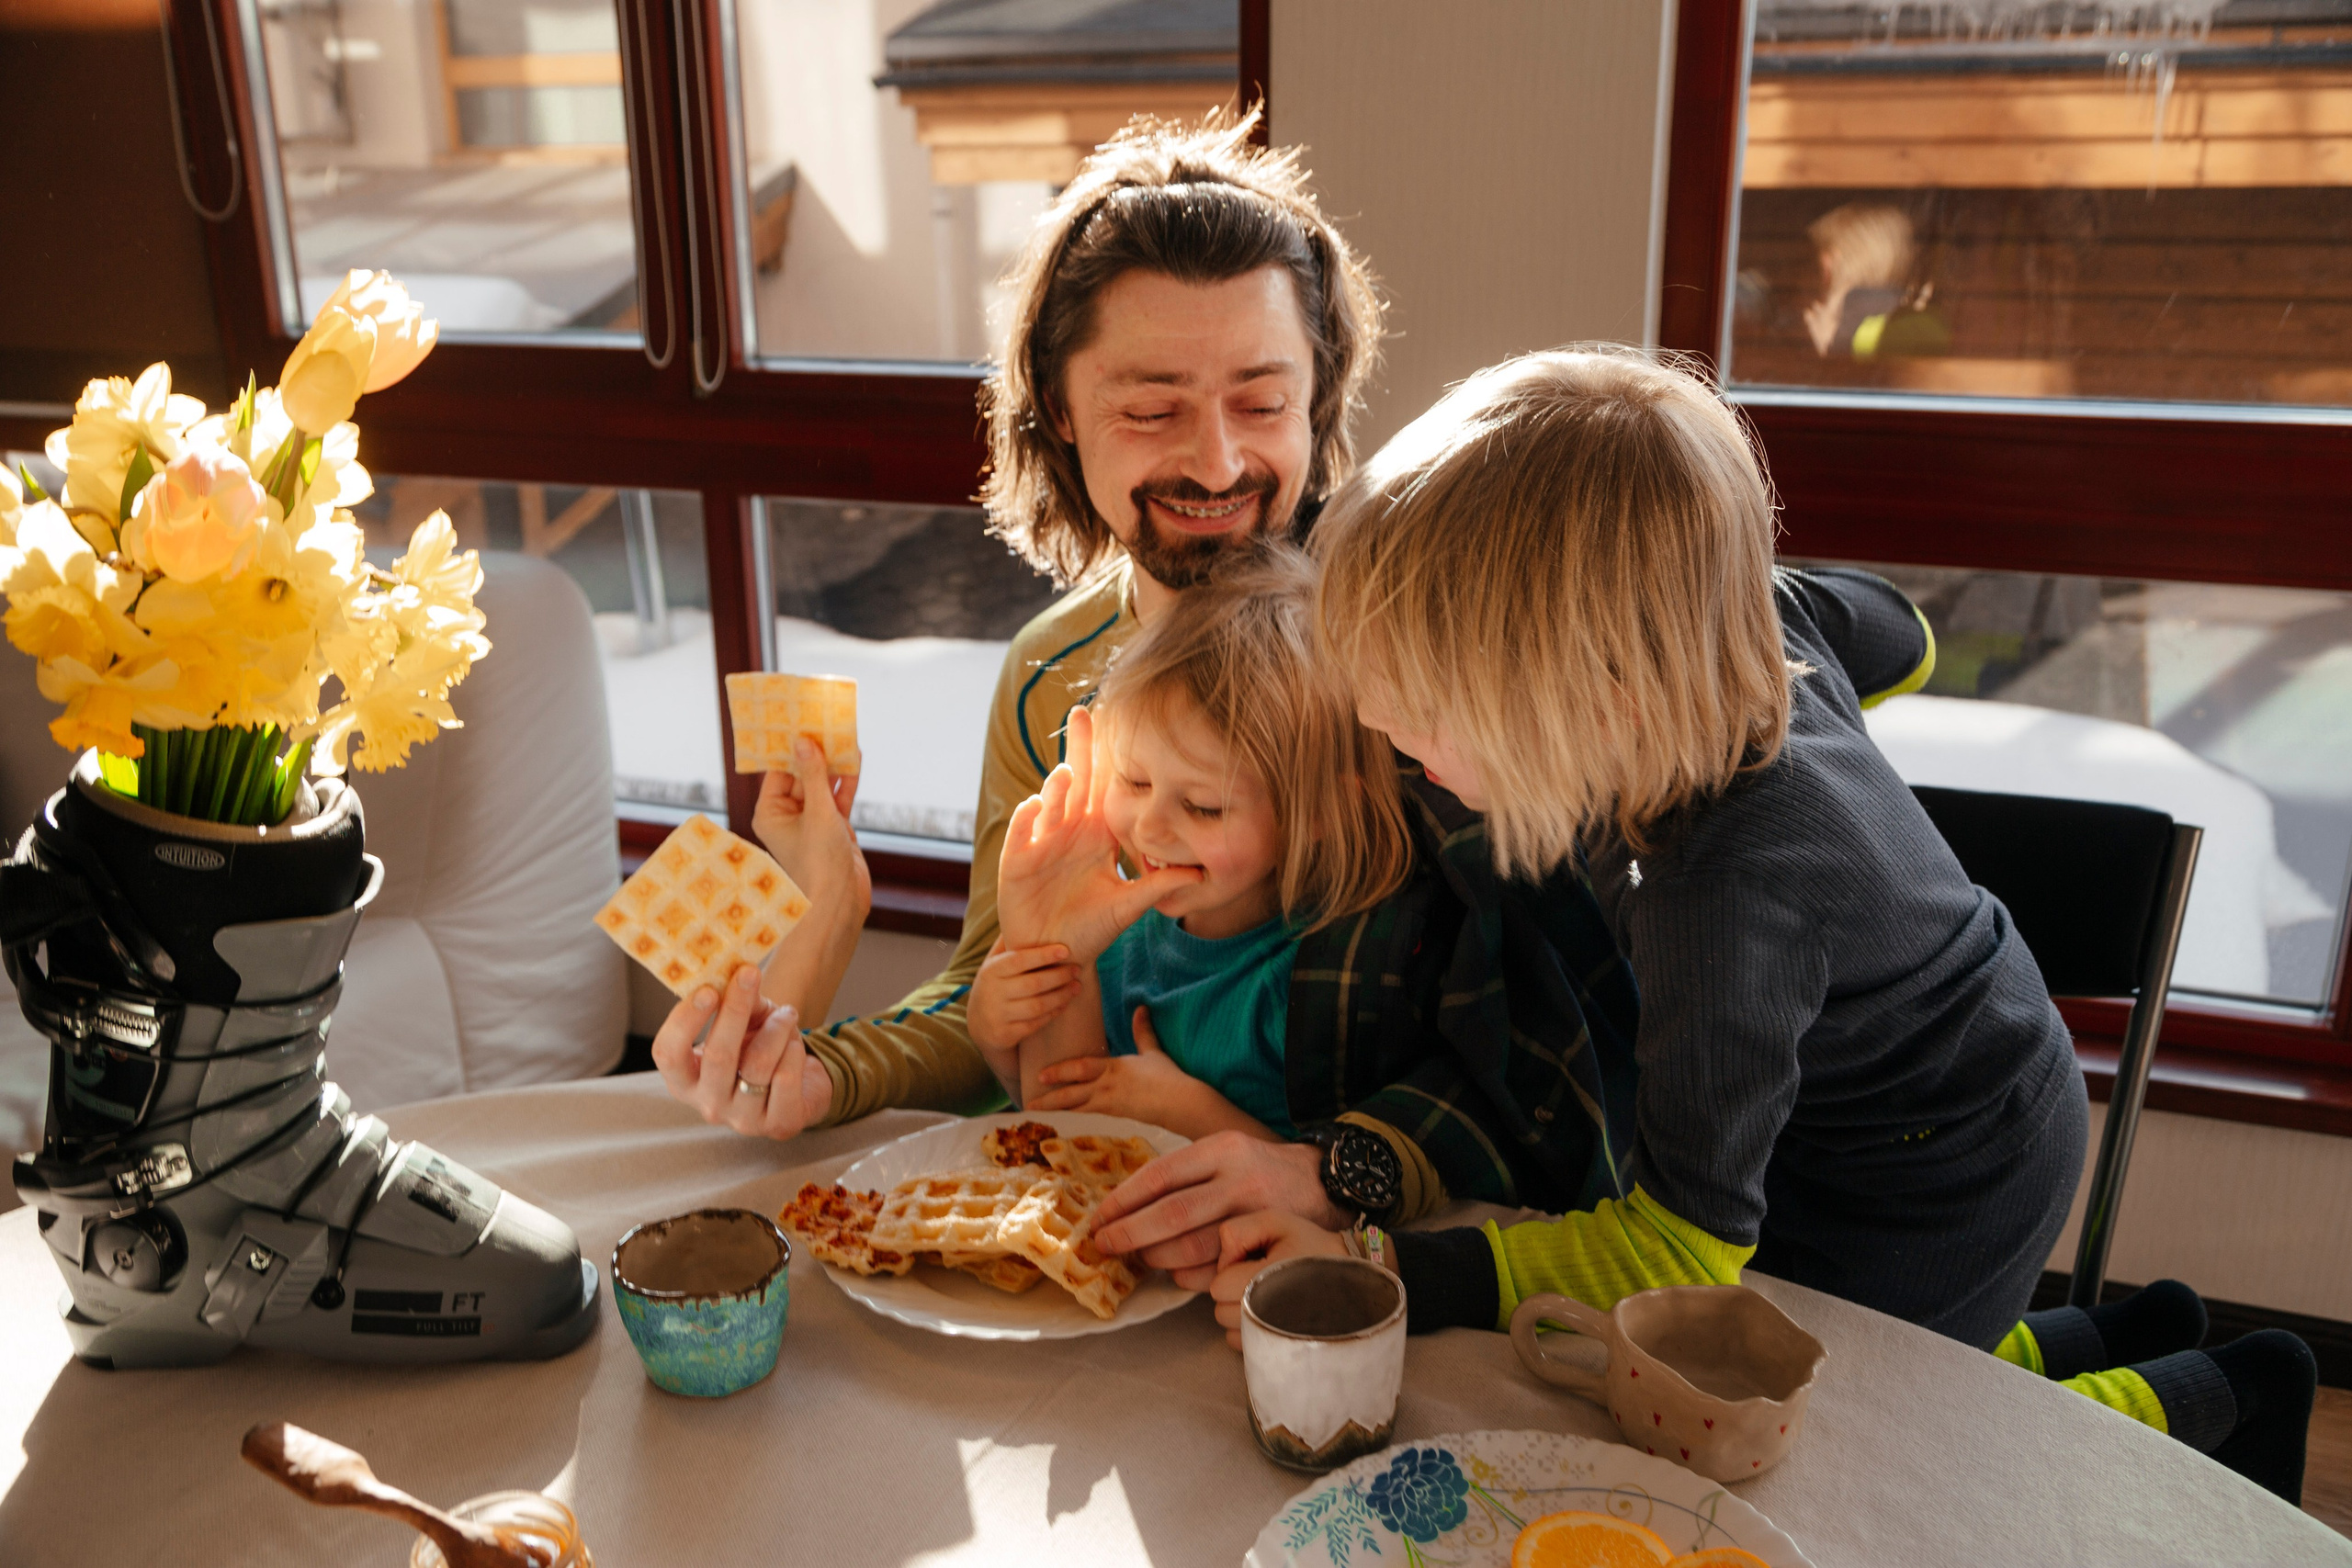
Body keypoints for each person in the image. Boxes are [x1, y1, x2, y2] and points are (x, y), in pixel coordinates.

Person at [1203, 344, 2316, 1503]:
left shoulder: (1722, 898)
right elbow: (1904, 633)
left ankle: (2228, 1390)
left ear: (1600, 697)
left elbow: (1670, 1250)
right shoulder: (1750, 627)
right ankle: (2128, 1330)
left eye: (1423, 722)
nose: (1394, 744)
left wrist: (1386, 1266)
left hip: (1941, 1169)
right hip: (1931, 1090)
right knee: (1876, 1352)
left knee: (1851, 1432)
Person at [650, 116, 1643, 1248]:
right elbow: (997, 984)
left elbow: (1547, 1042)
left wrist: (1328, 1174)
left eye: (1261, 404)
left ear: (1319, 400)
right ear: (1061, 415)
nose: (1218, 463)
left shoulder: (1435, 658)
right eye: (1151, 409)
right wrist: (826, 1075)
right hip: (1136, 1217)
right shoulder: (1051, 675)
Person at [974, 546, 1412, 1141]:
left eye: (1203, 805)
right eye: (1133, 780)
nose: (1151, 827)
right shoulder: (1115, 928)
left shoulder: (1316, 979)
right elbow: (1061, 1122)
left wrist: (1187, 1114)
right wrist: (1004, 1022)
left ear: (1317, 815)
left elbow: (1332, 1188)